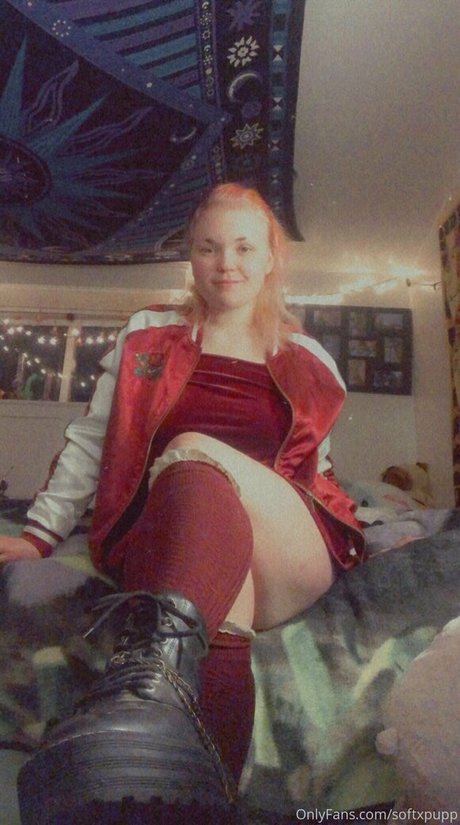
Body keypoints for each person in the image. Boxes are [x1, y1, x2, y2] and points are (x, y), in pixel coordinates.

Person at [0, 183, 366, 823]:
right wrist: (38, 535)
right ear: (191, 257)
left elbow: (318, 471)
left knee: (194, 451)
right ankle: (205, 800)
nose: (227, 263)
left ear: (271, 258)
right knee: (217, 603)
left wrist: (362, 533)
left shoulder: (309, 358)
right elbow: (91, 442)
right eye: (209, 247)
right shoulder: (148, 335)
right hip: (171, 543)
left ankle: (143, 688)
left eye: (244, 247)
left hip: (282, 555)